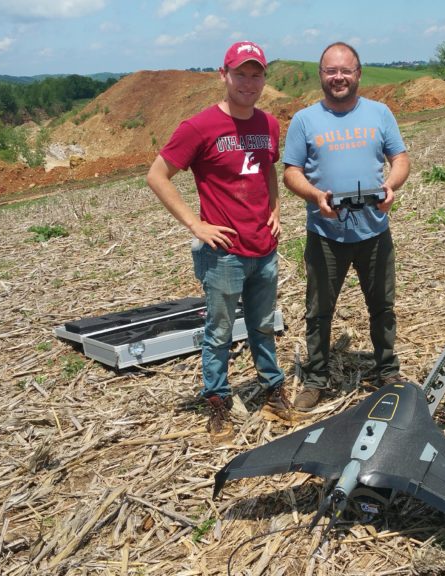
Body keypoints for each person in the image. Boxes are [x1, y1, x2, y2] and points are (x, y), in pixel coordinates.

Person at [146, 41, 294, 441]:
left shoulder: (268, 125)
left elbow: (266, 171)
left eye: (256, 74)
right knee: (219, 332)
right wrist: (196, 225)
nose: (249, 82)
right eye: (240, 74)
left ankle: (272, 388)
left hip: (264, 248)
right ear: (223, 75)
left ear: (265, 78)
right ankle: (217, 401)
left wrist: (275, 209)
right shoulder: (198, 127)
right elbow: (157, 176)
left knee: (263, 325)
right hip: (224, 253)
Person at [282, 41, 411, 410]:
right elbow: (291, 172)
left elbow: (399, 158)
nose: (338, 77)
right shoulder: (305, 120)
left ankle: (387, 370)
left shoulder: (379, 113)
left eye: (345, 70)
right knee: (319, 310)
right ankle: (317, 378)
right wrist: (314, 196)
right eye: (331, 71)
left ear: (358, 73)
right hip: (326, 234)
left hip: (374, 230)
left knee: (383, 306)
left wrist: (391, 185)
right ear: (321, 75)